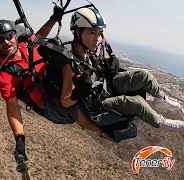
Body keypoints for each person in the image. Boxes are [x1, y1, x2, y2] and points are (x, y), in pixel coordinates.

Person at [0, 6, 110, 170]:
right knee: (74, 110)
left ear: (15, 36)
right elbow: (12, 108)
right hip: (50, 105)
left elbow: (39, 36)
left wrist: (54, 18)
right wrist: (20, 139)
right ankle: (103, 133)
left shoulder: (26, 45)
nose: (6, 42)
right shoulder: (5, 74)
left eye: (9, 36)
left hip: (57, 84)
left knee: (70, 61)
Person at [60, 6, 184, 137]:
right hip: (98, 104)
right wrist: (77, 92)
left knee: (143, 75)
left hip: (105, 87)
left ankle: (161, 98)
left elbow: (96, 67)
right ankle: (162, 122)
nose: (97, 39)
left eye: (99, 33)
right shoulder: (71, 64)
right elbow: (65, 101)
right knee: (136, 103)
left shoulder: (88, 53)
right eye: (92, 33)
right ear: (78, 33)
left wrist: (112, 60)